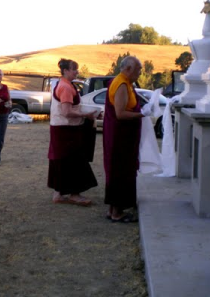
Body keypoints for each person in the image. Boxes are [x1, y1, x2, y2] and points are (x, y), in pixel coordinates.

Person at [103, 56, 152, 222]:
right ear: (128, 69)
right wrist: (142, 113)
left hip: (123, 136)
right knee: (120, 171)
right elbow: (120, 113)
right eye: (138, 70)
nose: (139, 74)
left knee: (119, 170)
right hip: (120, 137)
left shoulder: (125, 83)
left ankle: (112, 210)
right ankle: (117, 213)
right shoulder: (121, 84)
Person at [48, 58, 99, 206]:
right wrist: (87, 115)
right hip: (66, 130)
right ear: (65, 71)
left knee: (60, 160)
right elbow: (66, 112)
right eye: (74, 69)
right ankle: (74, 194)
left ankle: (58, 193)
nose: (77, 71)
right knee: (74, 161)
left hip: (61, 129)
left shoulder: (64, 84)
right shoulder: (65, 87)